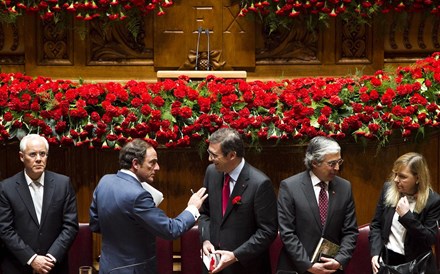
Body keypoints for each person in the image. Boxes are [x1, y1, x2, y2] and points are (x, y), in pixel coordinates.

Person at [89, 138, 208, 274]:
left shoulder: (105, 181)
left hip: (107, 267)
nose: (157, 168)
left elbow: (95, 224)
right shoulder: (138, 196)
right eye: (152, 163)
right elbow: (171, 230)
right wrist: (192, 208)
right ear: (135, 164)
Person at [198, 127, 278, 274]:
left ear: (232, 155)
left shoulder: (259, 183)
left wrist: (236, 256)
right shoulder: (212, 172)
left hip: (245, 267)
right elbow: (204, 213)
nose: (209, 159)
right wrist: (206, 239)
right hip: (213, 264)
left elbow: (268, 231)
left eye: (214, 155)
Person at [276, 136, 358, 274]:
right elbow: (287, 233)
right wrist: (307, 265)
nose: (337, 168)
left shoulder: (344, 187)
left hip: (331, 269)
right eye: (332, 163)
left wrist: (340, 260)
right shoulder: (290, 187)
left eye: (339, 162)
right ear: (315, 162)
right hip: (297, 268)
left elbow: (350, 231)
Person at [0, 134, 79, 274]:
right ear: (21, 156)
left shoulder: (63, 184)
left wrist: (50, 258)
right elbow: (5, 229)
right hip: (19, 266)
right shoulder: (6, 188)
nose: (38, 159)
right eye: (32, 154)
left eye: (42, 154)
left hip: (54, 267)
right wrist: (32, 259)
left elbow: (70, 226)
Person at [369, 152, 440, 274]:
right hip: (387, 261)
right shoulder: (388, 189)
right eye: (395, 174)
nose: (396, 179)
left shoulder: (433, 201)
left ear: (418, 178)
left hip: (417, 265)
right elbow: (376, 225)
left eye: (402, 176)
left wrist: (407, 217)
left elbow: (429, 239)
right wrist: (375, 253)